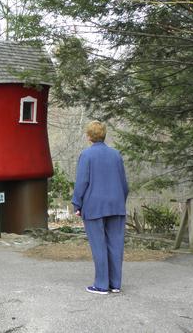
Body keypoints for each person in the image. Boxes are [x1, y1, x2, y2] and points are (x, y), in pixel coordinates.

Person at [72, 121, 128, 295]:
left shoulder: (86, 155)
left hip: (94, 206)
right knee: (116, 244)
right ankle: (115, 284)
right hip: (116, 205)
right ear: (104, 135)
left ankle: (101, 285)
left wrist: (77, 203)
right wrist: (120, 201)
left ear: (89, 136)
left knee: (99, 245)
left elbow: (82, 182)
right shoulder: (116, 154)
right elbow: (124, 184)